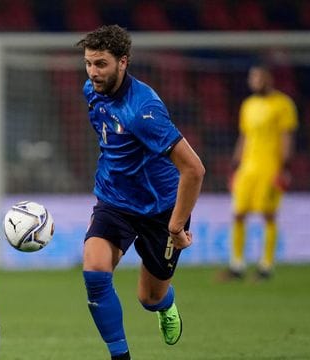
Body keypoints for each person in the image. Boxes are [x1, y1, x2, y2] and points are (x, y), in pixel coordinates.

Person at [76, 25, 205, 360]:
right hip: (114, 200)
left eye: (101, 64)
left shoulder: (145, 111)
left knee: (149, 298)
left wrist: (175, 227)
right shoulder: (91, 91)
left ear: (123, 62)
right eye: (89, 63)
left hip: (160, 208)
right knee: (94, 271)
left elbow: (194, 169)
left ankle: (166, 304)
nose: (93, 72)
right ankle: (121, 356)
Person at [221, 65, 298, 280]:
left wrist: (285, 168)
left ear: (268, 78)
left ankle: (266, 267)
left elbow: (286, 137)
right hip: (248, 168)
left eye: (257, 77)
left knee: (268, 215)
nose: (254, 81)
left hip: (270, 168)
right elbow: (244, 137)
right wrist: (235, 164)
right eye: (251, 77)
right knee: (238, 214)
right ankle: (237, 266)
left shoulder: (283, 104)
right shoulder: (248, 105)